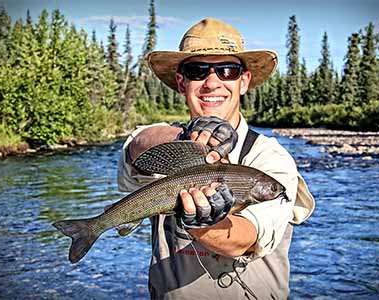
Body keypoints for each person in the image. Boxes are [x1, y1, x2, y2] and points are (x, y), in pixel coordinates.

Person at [117, 18, 315, 300]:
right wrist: (182, 141)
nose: (212, 83)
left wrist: (205, 223)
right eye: (197, 71)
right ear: (181, 81)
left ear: (243, 81)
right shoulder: (166, 138)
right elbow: (137, 145)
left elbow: (244, 238)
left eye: (227, 70)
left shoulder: (271, 158)